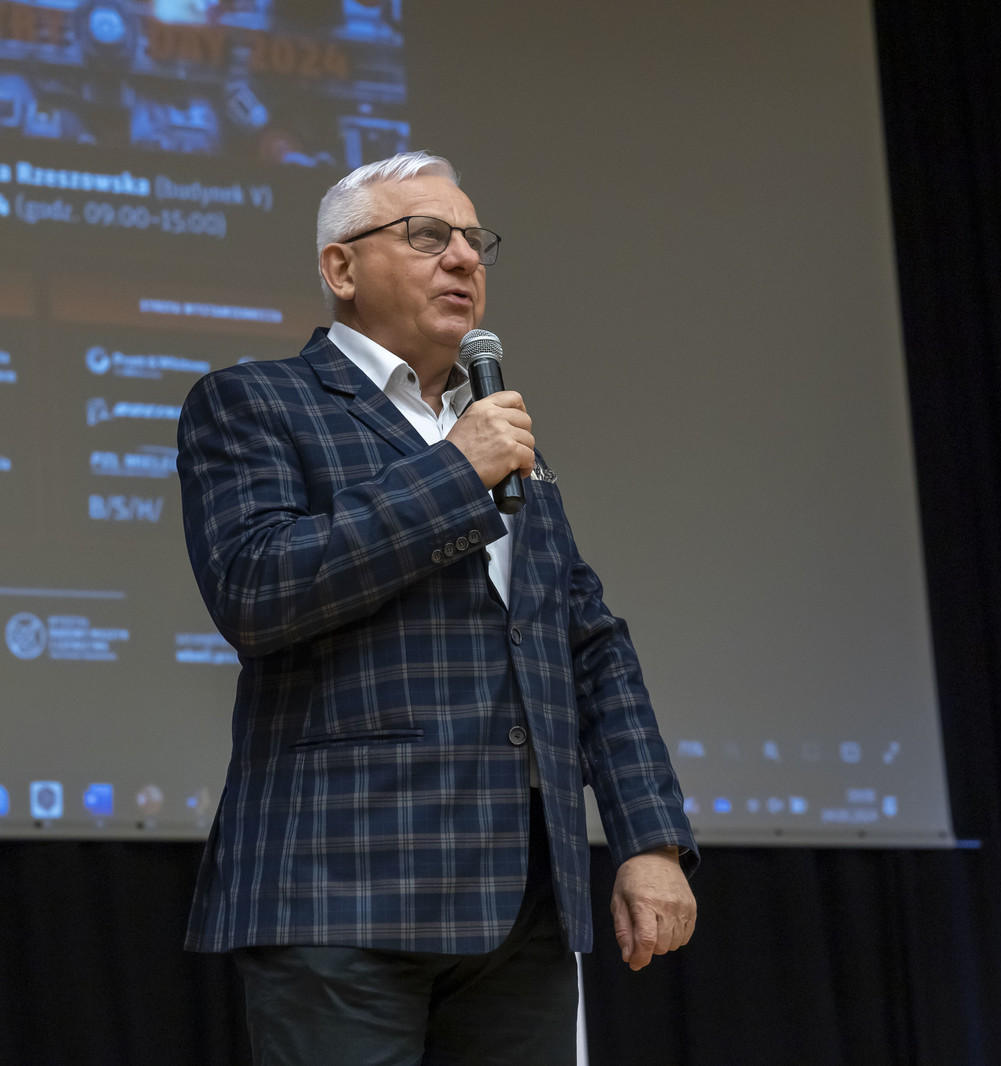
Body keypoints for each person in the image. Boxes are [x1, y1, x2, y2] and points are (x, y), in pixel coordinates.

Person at [176, 151, 697, 1065]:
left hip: (522, 895)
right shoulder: (255, 401)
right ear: (341, 268)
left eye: (473, 240)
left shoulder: (504, 435)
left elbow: (587, 644)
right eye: (426, 235)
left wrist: (649, 839)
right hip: (340, 885)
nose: (462, 257)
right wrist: (457, 471)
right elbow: (257, 589)